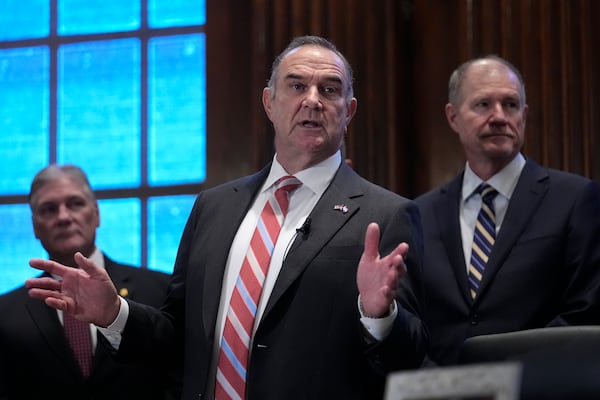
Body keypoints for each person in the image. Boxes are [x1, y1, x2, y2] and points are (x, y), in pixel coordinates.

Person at [25, 36, 428, 400]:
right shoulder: (213, 208)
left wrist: (379, 316)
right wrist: (114, 313)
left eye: (329, 89)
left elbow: (415, 358)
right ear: (269, 102)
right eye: (297, 85)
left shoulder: (387, 214)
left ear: (349, 110)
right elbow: (177, 338)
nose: (313, 100)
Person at [415, 55, 600, 366]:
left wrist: (508, 374)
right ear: (453, 117)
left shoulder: (576, 199)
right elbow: (416, 322)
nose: (499, 116)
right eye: (483, 104)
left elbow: (586, 311)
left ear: (524, 116)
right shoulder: (420, 213)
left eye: (511, 105)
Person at [0, 164, 180, 399]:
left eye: (75, 203)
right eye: (49, 209)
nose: (63, 217)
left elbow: (182, 375)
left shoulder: (161, 289)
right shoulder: (5, 313)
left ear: (96, 214)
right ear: (35, 226)